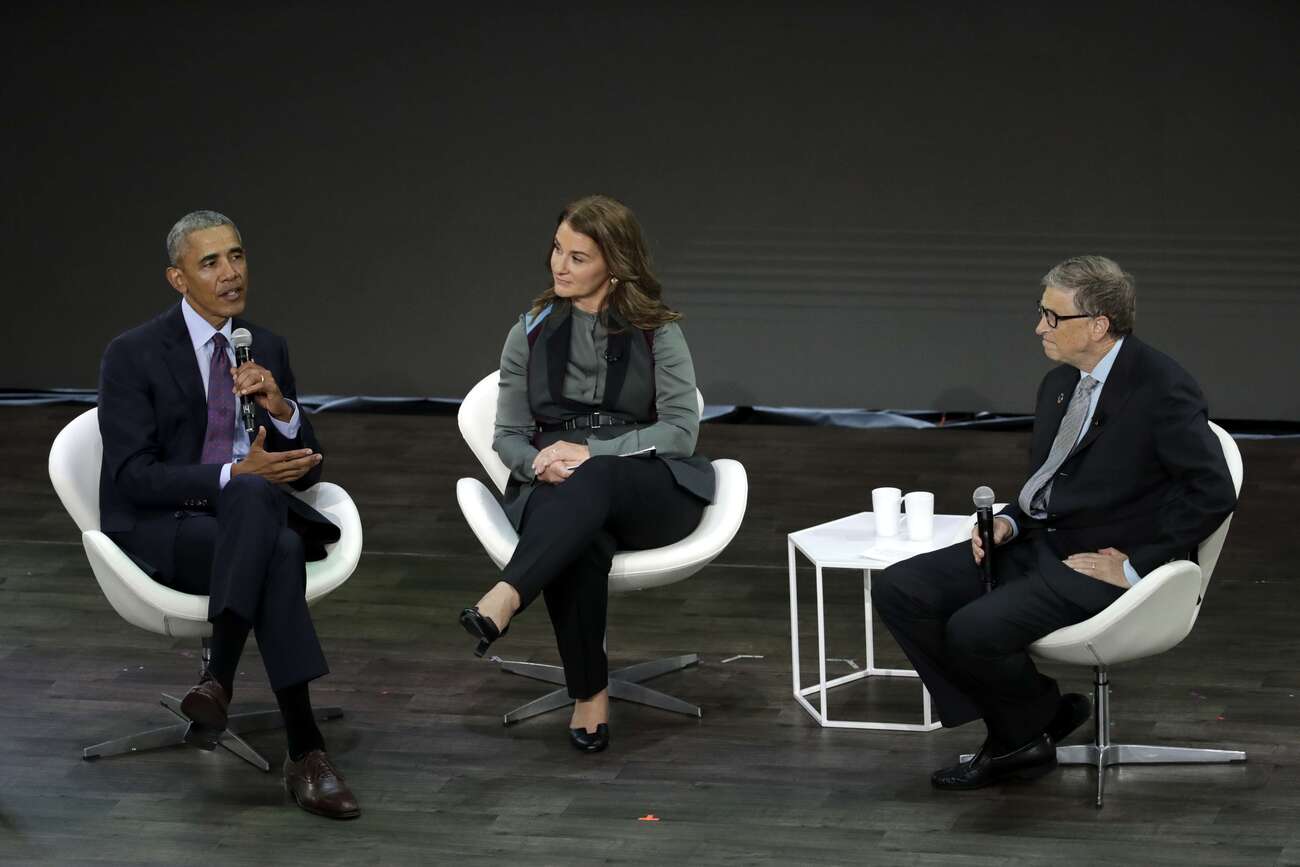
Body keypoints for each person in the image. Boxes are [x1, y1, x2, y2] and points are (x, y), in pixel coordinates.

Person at [871, 255, 1237, 790]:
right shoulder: (1060, 384)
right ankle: (1032, 718)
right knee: (903, 588)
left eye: (1051, 316)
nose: (1038, 326)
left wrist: (1138, 565)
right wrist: (1010, 522)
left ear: (1097, 325)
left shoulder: (1162, 387)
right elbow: (1052, 478)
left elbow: (1213, 491)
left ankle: (1018, 737)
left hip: (1102, 559)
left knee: (973, 629)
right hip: (1041, 541)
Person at [97, 210, 360, 818]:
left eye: (237, 256)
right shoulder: (132, 354)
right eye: (210, 262)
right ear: (178, 279)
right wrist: (231, 477)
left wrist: (282, 406)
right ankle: (306, 752)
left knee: (269, 524)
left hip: (247, 526)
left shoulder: (265, 346)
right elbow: (132, 477)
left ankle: (219, 681)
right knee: (273, 533)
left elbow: (308, 467)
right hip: (168, 527)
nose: (230, 273)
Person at [459, 195, 715, 753]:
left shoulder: (657, 331)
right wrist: (537, 462)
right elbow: (508, 436)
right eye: (557, 249)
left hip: (649, 486)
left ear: (615, 265)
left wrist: (596, 454)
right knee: (582, 534)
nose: (559, 266)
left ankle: (505, 598)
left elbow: (679, 430)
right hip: (559, 488)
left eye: (578, 257)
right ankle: (589, 694)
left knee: (593, 477)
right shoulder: (528, 333)